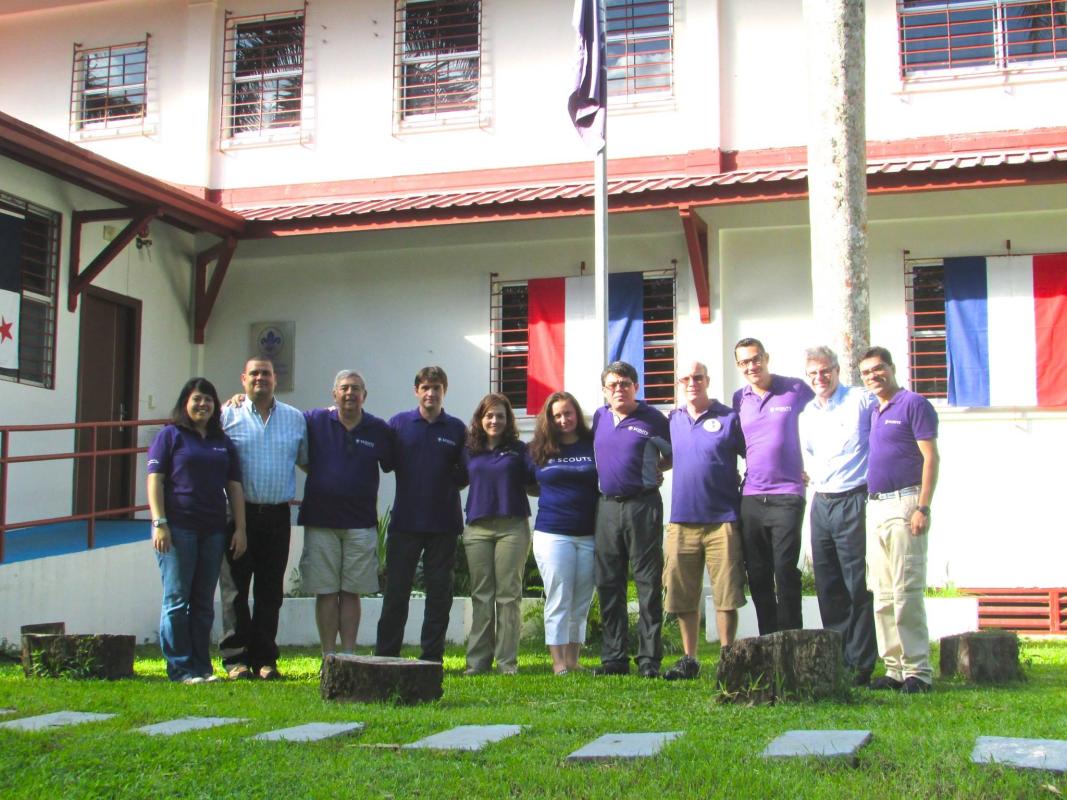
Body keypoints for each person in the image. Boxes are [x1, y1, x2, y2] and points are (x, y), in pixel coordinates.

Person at [146, 378, 246, 684]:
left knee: (203, 601)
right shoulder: (170, 436)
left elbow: (235, 487)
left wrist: (240, 528)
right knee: (177, 600)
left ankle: (202, 667)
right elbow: (155, 480)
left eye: (208, 400)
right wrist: (159, 522)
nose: (202, 405)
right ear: (185, 403)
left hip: (213, 529)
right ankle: (180, 668)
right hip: (178, 529)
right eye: (196, 399)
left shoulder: (222, 441)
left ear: (215, 406)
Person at [218, 357, 308, 681]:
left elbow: (308, 461)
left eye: (266, 373)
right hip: (238, 516)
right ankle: (235, 660)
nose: (260, 378)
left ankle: (265, 659)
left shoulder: (295, 419)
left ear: (275, 378)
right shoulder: (227, 415)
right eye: (254, 373)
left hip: (277, 515)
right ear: (243, 379)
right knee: (235, 589)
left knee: (271, 591)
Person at [860, 346, 940, 694]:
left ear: (891, 369)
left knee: (906, 592)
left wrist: (922, 507)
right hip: (875, 506)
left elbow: (931, 457)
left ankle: (918, 672)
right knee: (882, 594)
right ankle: (893, 669)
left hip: (905, 503)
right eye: (866, 373)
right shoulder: (875, 412)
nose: (873, 376)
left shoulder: (914, 404)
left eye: (878, 369)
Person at [375, 366, 467, 663]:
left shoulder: (456, 429)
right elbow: (385, 462)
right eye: (426, 387)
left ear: (444, 391)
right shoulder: (399, 425)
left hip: (443, 524)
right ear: (417, 391)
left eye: (437, 387)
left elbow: (465, 474)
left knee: (440, 596)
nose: (431, 393)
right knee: (396, 593)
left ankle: (432, 657)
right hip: (405, 523)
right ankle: (387, 655)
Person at [298, 370, 393, 656]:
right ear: (334, 394)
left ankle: (348, 654)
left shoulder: (378, 429)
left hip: (360, 523)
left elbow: (393, 463)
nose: (350, 393)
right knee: (326, 591)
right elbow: (280, 418)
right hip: (321, 521)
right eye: (344, 388)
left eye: (356, 388)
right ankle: (329, 656)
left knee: (351, 591)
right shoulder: (314, 421)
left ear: (365, 395)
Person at [662, 361, 747, 680]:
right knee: (683, 592)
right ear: (679, 382)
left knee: (726, 592)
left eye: (698, 377)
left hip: (722, 519)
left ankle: (728, 656)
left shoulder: (728, 417)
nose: (692, 382)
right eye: (685, 378)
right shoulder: (673, 420)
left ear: (707, 379)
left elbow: (754, 453)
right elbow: (666, 456)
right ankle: (689, 659)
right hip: (681, 519)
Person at [799, 345, 878, 686]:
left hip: (854, 498)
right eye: (813, 373)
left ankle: (861, 663)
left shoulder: (861, 401)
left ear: (836, 370)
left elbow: (882, 440)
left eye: (825, 371)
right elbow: (811, 456)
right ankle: (839, 659)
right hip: (822, 502)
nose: (820, 378)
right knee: (828, 584)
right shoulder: (806, 414)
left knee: (857, 583)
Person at [591, 360, 672, 678]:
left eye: (625, 383)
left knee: (647, 583)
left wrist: (656, 471)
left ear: (636, 387)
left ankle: (649, 658)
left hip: (643, 505)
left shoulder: (652, 418)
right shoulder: (600, 417)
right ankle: (614, 658)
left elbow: (674, 453)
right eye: (612, 385)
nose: (619, 389)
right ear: (604, 391)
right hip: (608, 507)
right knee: (609, 583)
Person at [732, 337, 814, 635]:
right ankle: (768, 640)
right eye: (744, 362)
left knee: (785, 570)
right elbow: (743, 444)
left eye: (756, 359)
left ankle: (791, 638)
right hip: (752, 496)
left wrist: (814, 464)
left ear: (766, 357)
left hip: (788, 495)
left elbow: (824, 416)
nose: (751, 366)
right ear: (738, 366)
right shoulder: (739, 399)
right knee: (758, 572)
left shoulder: (795, 389)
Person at [527, 391, 598, 675]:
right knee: (558, 596)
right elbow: (527, 484)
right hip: (553, 534)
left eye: (568, 413)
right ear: (549, 419)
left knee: (581, 600)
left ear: (576, 414)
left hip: (589, 534)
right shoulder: (538, 450)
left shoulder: (593, 444)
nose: (563, 419)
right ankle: (558, 663)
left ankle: (573, 659)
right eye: (557, 415)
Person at [461, 393, 532, 675]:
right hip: (477, 527)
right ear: (480, 419)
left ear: (508, 420)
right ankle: (477, 662)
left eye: (500, 416)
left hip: (512, 528)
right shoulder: (469, 450)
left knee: (508, 595)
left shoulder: (519, 449)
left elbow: (536, 479)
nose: (494, 420)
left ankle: (506, 663)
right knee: (481, 595)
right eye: (489, 415)